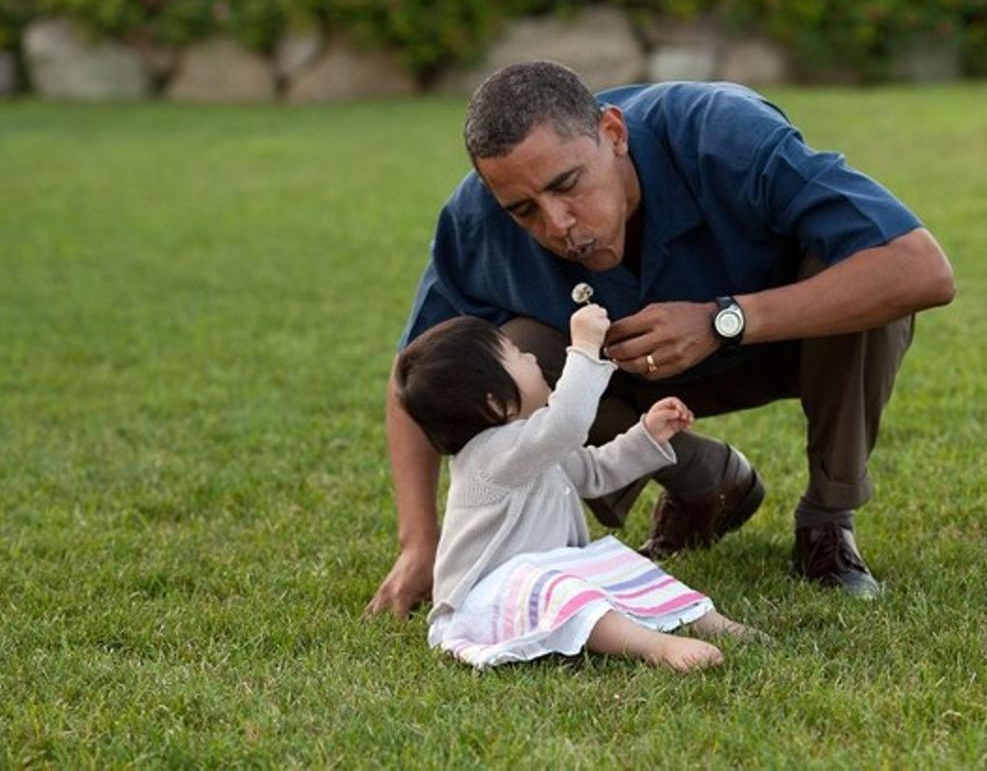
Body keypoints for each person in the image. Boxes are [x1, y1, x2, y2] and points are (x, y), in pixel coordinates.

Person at [367, 60, 955, 617]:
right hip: (631, 383)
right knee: (512, 354)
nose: (558, 225)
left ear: (613, 133)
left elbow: (920, 268)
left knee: (854, 264)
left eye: (567, 184)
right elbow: (413, 375)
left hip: (783, 347)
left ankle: (828, 520)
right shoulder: (476, 222)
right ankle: (707, 484)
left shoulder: (722, 133)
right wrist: (420, 541)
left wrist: (724, 319)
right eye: (525, 210)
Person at [398, 304, 757, 671]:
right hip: (489, 599)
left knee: (618, 562)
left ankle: (709, 621)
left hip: (546, 581)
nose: (532, 357)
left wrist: (646, 436)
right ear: (497, 403)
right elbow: (568, 421)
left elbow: (594, 472)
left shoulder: (529, 445)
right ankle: (654, 645)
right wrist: (584, 347)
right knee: (558, 586)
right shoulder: (491, 454)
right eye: (517, 356)